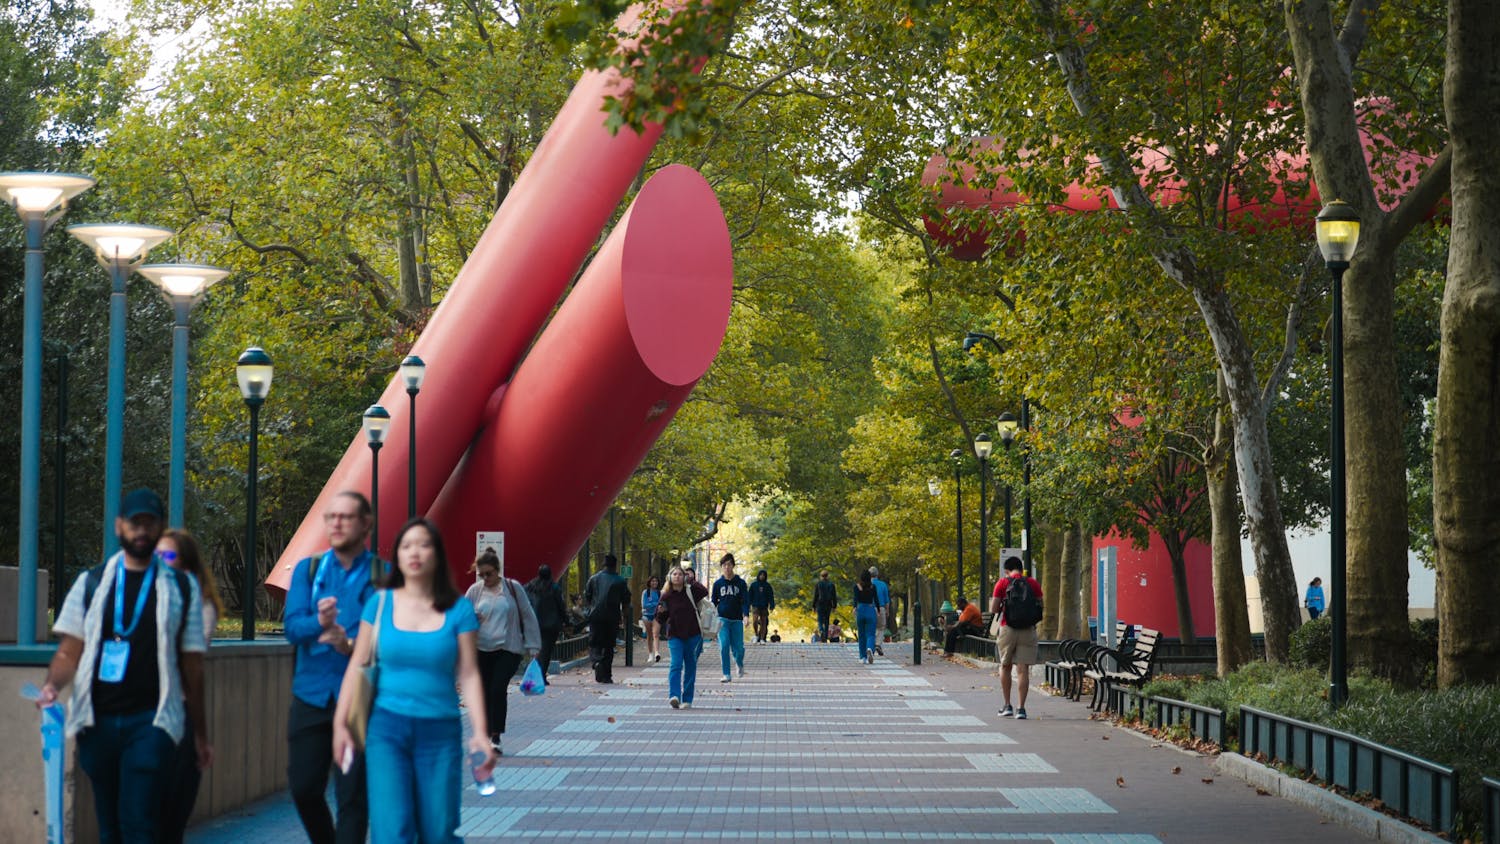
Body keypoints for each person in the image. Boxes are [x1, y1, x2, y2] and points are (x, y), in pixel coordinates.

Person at [35, 488, 210, 844]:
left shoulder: (182, 588)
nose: (142, 530)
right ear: (119, 527)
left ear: (161, 528)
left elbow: (192, 666)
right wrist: (53, 684)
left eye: (150, 523)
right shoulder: (92, 583)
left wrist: (200, 733)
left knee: (138, 822)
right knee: (110, 827)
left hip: (151, 722)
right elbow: (69, 651)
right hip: (96, 722)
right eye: (135, 522)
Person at [332, 518, 494, 844]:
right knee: (392, 831)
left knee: (439, 832)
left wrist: (479, 733)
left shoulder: (459, 609)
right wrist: (340, 725)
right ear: (398, 556)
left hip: (440, 731)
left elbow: (468, 672)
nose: (414, 552)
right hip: (386, 730)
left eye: (423, 544)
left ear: (437, 554)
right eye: (406, 546)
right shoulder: (379, 604)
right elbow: (358, 664)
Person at [283, 490, 379, 844]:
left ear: (365, 524)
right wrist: (319, 624)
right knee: (304, 788)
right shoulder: (308, 571)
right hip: (310, 696)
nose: (336, 524)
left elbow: (384, 640)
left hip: (358, 701)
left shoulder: (381, 576)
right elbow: (293, 629)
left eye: (346, 517)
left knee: (352, 798)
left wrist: (346, 643)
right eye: (331, 517)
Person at [156, 529, 222, 844]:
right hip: (141, 711)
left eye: (168, 556)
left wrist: (201, 734)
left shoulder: (200, 606)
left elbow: (189, 664)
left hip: (179, 713)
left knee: (173, 811)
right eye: (156, 556)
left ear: (187, 564)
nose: (160, 562)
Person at [465, 549, 540, 755]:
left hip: (508, 648)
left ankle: (495, 736)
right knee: (484, 691)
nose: (485, 578)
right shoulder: (474, 591)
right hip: (481, 649)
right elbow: (461, 618)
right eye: (481, 575)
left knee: (498, 689)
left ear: (498, 570)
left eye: (489, 574)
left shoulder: (512, 588)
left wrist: (534, 645)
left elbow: (527, 614)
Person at [991, 556, 1044, 720]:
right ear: (1021, 569)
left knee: (1005, 666)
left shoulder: (1002, 583)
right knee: (1023, 670)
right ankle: (1021, 709)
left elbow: (994, 609)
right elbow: (1040, 605)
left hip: (1008, 628)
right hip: (1028, 629)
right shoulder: (1032, 583)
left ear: (1007, 570)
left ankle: (1007, 705)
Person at [654, 566, 709, 709]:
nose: (677, 576)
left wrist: (690, 578)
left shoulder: (691, 591)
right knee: (676, 664)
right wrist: (660, 612)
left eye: (680, 574)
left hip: (693, 635)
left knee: (690, 666)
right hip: (675, 635)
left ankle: (687, 699)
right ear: (669, 577)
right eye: (674, 574)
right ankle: (674, 696)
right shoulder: (666, 595)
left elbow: (705, 591)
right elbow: (660, 618)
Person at [583, 554, 629, 683]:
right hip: (612, 616)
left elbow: (587, 595)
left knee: (594, 642)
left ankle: (596, 661)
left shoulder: (594, 579)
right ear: (615, 565)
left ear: (604, 564)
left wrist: (591, 607)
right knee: (609, 645)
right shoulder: (620, 580)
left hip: (595, 615)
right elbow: (626, 599)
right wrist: (624, 616)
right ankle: (607, 675)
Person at [524, 565, 568, 684]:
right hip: (551, 625)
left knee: (536, 650)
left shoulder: (530, 587)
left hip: (534, 623)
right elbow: (561, 606)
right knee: (546, 651)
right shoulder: (554, 588)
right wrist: (566, 621)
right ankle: (541, 675)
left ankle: (535, 673)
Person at [711, 554, 750, 682]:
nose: (727, 567)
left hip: (737, 620)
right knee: (724, 645)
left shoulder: (741, 583)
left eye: (729, 564)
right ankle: (726, 674)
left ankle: (739, 663)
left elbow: (745, 601)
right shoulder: (717, 584)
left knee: (738, 648)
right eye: (724, 565)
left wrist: (746, 616)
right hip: (722, 619)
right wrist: (711, 618)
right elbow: (713, 602)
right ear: (722, 567)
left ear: (733, 565)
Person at [852, 570, 880, 664]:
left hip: (860, 610)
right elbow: (876, 599)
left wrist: (854, 607)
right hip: (870, 609)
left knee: (861, 634)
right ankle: (869, 648)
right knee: (871, 634)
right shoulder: (873, 587)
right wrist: (878, 610)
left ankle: (862, 657)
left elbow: (855, 598)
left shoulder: (857, 587)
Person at [747, 569, 775, 643]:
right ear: (758, 575)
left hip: (764, 606)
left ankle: (762, 638)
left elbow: (771, 596)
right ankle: (756, 634)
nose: (762, 576)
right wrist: (748, 604)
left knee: (763, 622)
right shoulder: (754, 585)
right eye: (761, 575)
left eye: (763, 575)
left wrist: (772, 605)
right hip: (755, 605)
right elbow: (750, 595)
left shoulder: (767, 586)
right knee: (755, 621)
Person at [640, 575, 663, 662]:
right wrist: (655, 604)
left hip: (656, 616)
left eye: (656, 581)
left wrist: (655, 605)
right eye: (652, 581)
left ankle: (657, 652)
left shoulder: (659, 593)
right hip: (646, 616)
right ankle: (650, 654)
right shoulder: (646, 592)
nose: (654, 583)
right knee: (649, 635)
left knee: (656, 634)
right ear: (649, 582)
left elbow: (662, 604)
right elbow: (644, 605)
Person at [869, 566, 890, 656]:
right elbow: (886, 600)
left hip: (869, 608)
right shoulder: (883, 584)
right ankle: (878, 644)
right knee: (881, 628)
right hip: (880, 608)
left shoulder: (866, 584)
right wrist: (887, 610)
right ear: (877, 574)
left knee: (871, 628)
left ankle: (871, 645)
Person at [813, 570, 837, 642]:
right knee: (826, 620)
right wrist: (834, 606)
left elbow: (816, 595)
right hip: (828, 604)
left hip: (820, 604)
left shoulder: (818, 584)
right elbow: (834, 596)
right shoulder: (831, 584)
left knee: (820, 619)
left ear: (821, 576)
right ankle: (825, 636)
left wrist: (814, 606)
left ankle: (821, 630)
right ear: (827, 576)